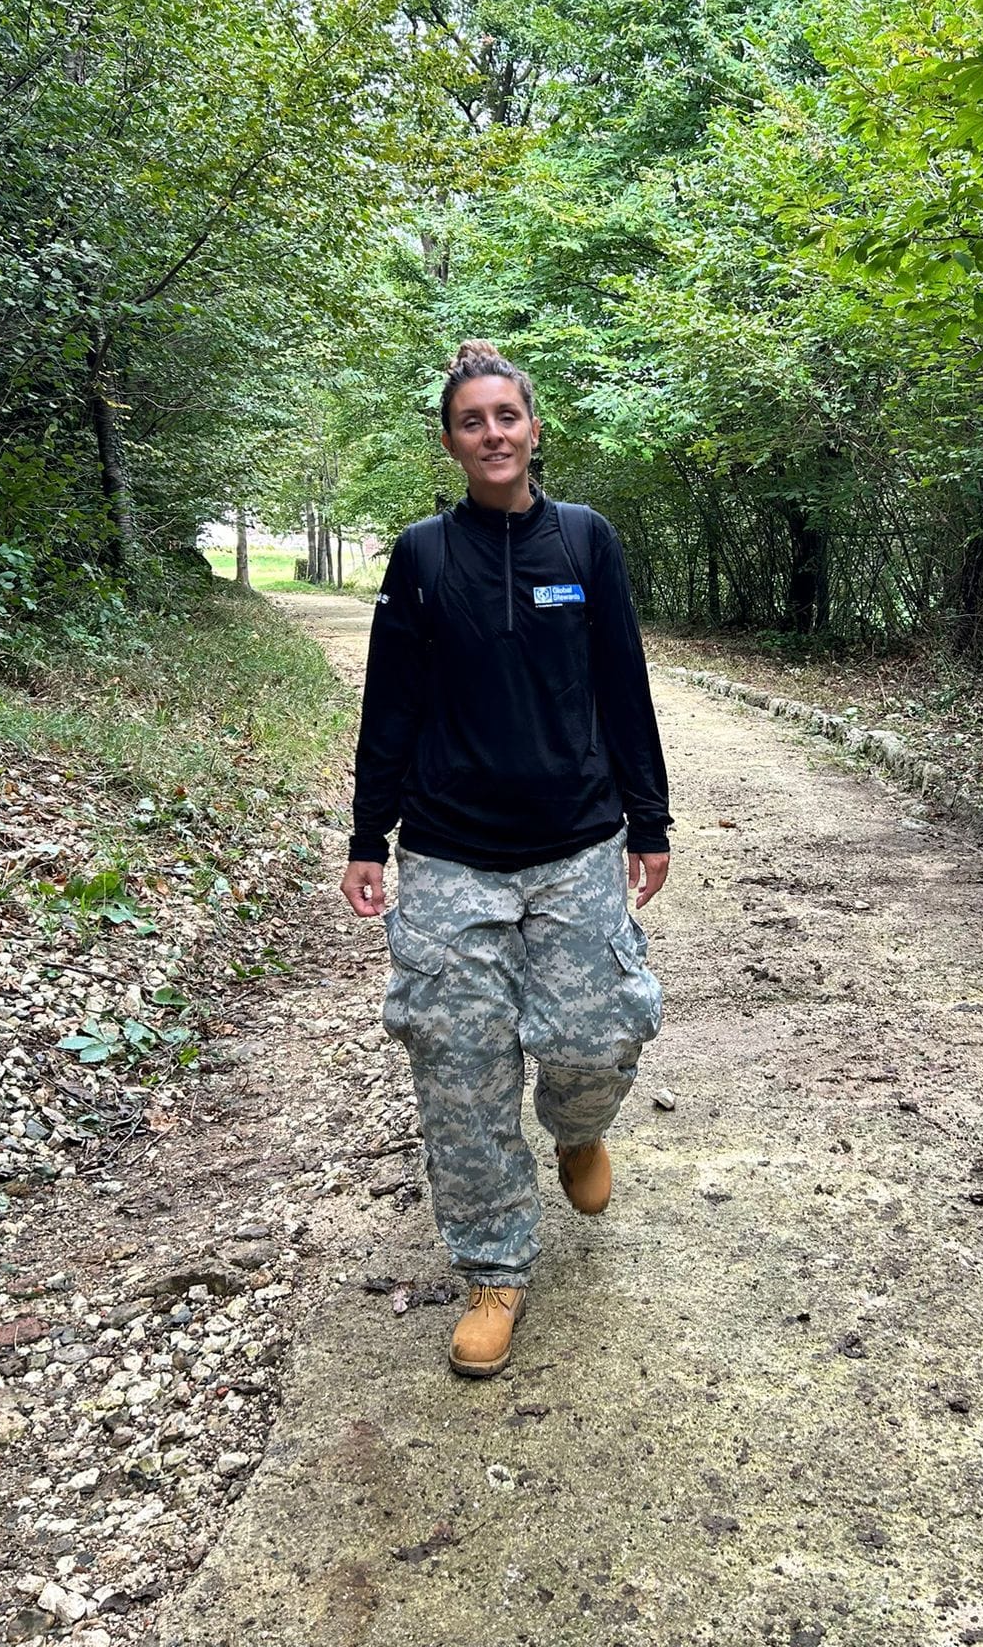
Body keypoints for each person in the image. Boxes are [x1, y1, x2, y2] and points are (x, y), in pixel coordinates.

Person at [340, 340, 672, 1378]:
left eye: (506, 415)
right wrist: (368, 836)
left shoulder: (585, 539)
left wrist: (650, 818)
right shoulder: (424, 555)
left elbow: (623, 680)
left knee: (598, 1034)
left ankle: (577, 1128)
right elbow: (390, 703)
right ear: (450, 441)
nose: (492, 433)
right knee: (458, 1067)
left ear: (534, 428)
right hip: (450, 853)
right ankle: (494, 1269)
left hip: (578, 840)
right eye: (471, 420)